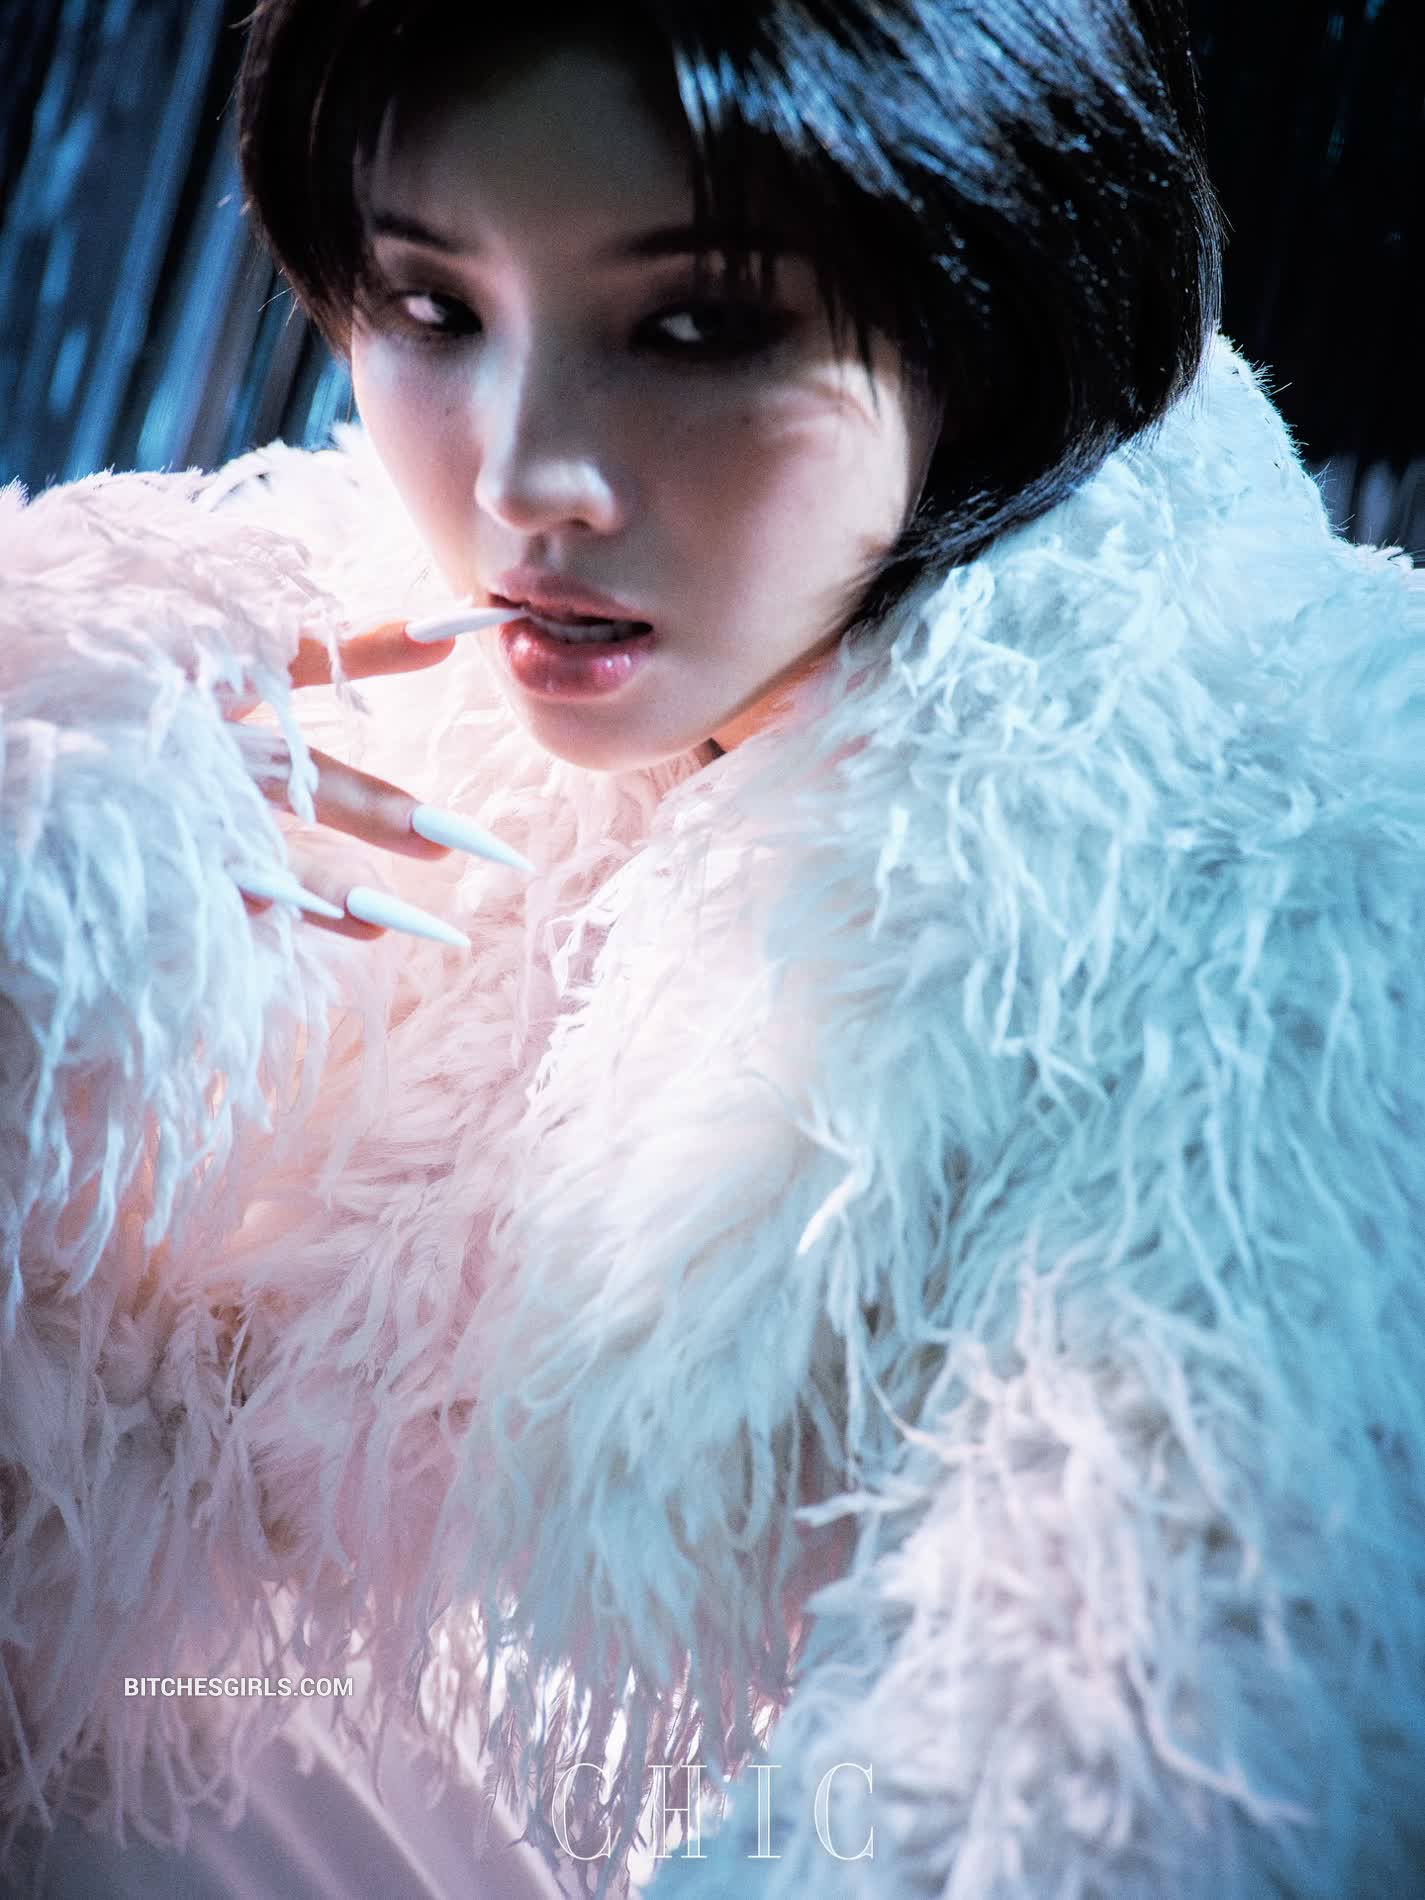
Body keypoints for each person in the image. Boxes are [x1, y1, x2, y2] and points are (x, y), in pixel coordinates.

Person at [1, 0, 1422, 1895]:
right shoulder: (264, 673)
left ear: (987, 298)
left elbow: (1099, 1805)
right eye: (432, 307)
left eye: (695, 328)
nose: (523, 480)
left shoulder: (1296, 896)